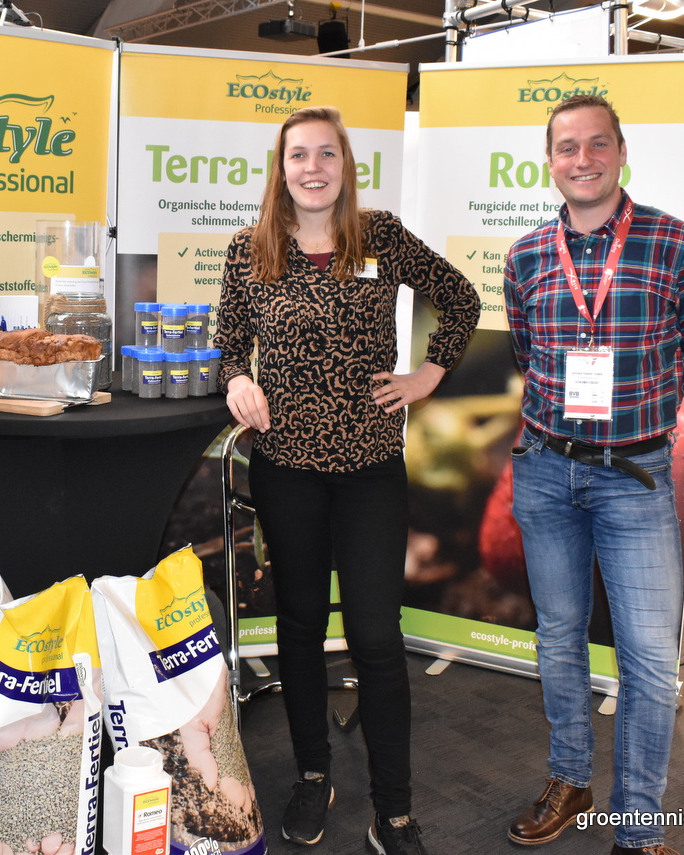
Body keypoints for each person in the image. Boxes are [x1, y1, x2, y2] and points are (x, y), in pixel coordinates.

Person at [214, 105, 480, 855]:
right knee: (299, 628)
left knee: (375, 636)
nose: (313, 168)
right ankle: (312, 774)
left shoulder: (379, 236)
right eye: (298, 155)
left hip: (370, 470)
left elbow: (461, 298)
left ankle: (393, 810)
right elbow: (228, 343)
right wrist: (238, 380)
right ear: (282, 168)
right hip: (286, 469)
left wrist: (427, 374)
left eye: (326, 154)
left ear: (345, 165)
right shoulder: (250, 249)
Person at [502, 94, 684, 855]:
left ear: (622, 152)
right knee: (560, 637)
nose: (583, 159)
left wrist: (639, 398)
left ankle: (639, 825)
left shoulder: (677, 243)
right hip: (545, 472)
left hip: (636, 476)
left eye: (598, 144)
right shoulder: (527, 255)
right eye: (568, 147)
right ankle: (571, 780)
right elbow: (527, 352)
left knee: (651, 663)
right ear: (550, 161)